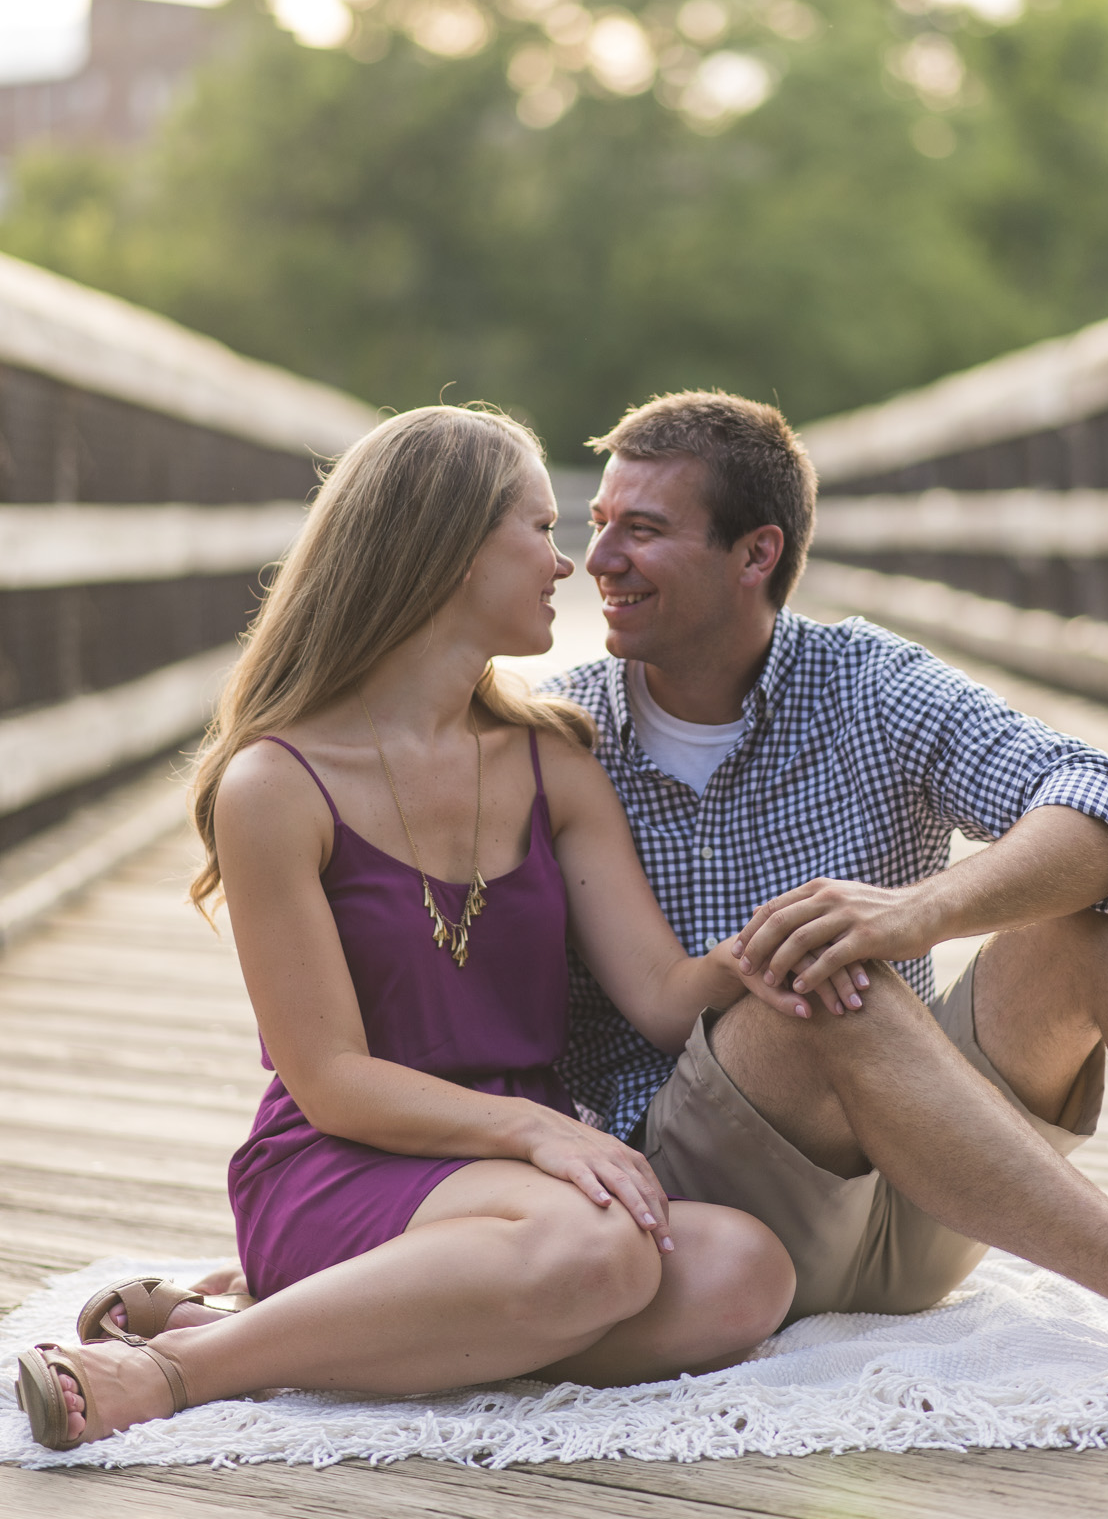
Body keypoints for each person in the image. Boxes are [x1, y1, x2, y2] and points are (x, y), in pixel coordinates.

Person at [542, 389, 1108, 1431]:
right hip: (705, 1212)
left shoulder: (864, 682)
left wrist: (917, 912)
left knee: (1100, 911)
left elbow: (1107, 802)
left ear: (756, 554)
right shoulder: (559, 734)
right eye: (595, 524)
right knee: (823, 984)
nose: (596, 558)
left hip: (924, 1190)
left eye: (641, 529)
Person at [15, 407, 809, 1452]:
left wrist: (776, 944)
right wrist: (536, 1128)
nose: (569, 559)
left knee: (746, 1271)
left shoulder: (550, 759)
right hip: (341, 1158)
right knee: (604, 1256)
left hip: (519, 1188)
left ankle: (286, 1319)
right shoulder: (276, 783)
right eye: (539, 525)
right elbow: (332, 1078)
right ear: (448, 546)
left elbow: (661, 993)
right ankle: (169, 1367)